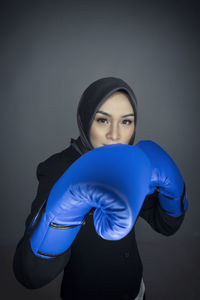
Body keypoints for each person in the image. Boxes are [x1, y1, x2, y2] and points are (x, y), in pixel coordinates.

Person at [13, 77, 188, 300]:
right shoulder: (58, 169)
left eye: (126, 122)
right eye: (103, 120)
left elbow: (167, 225)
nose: (115, 135)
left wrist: (174, 193)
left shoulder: (132, 163)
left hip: (136, 289)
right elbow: (30, 275)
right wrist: (64, 216)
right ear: (85, 119)